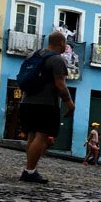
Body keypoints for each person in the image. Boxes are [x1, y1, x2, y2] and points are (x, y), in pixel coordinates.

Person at [18, 31, 74, 183]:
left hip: (26, 101)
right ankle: (30, 171)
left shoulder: (33, 55)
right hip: (46, 104)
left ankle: (29, 169)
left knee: (32, 136)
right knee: (42, 136)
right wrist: (70, 104)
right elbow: (60, 85)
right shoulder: (57, 59)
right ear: (62, 43)